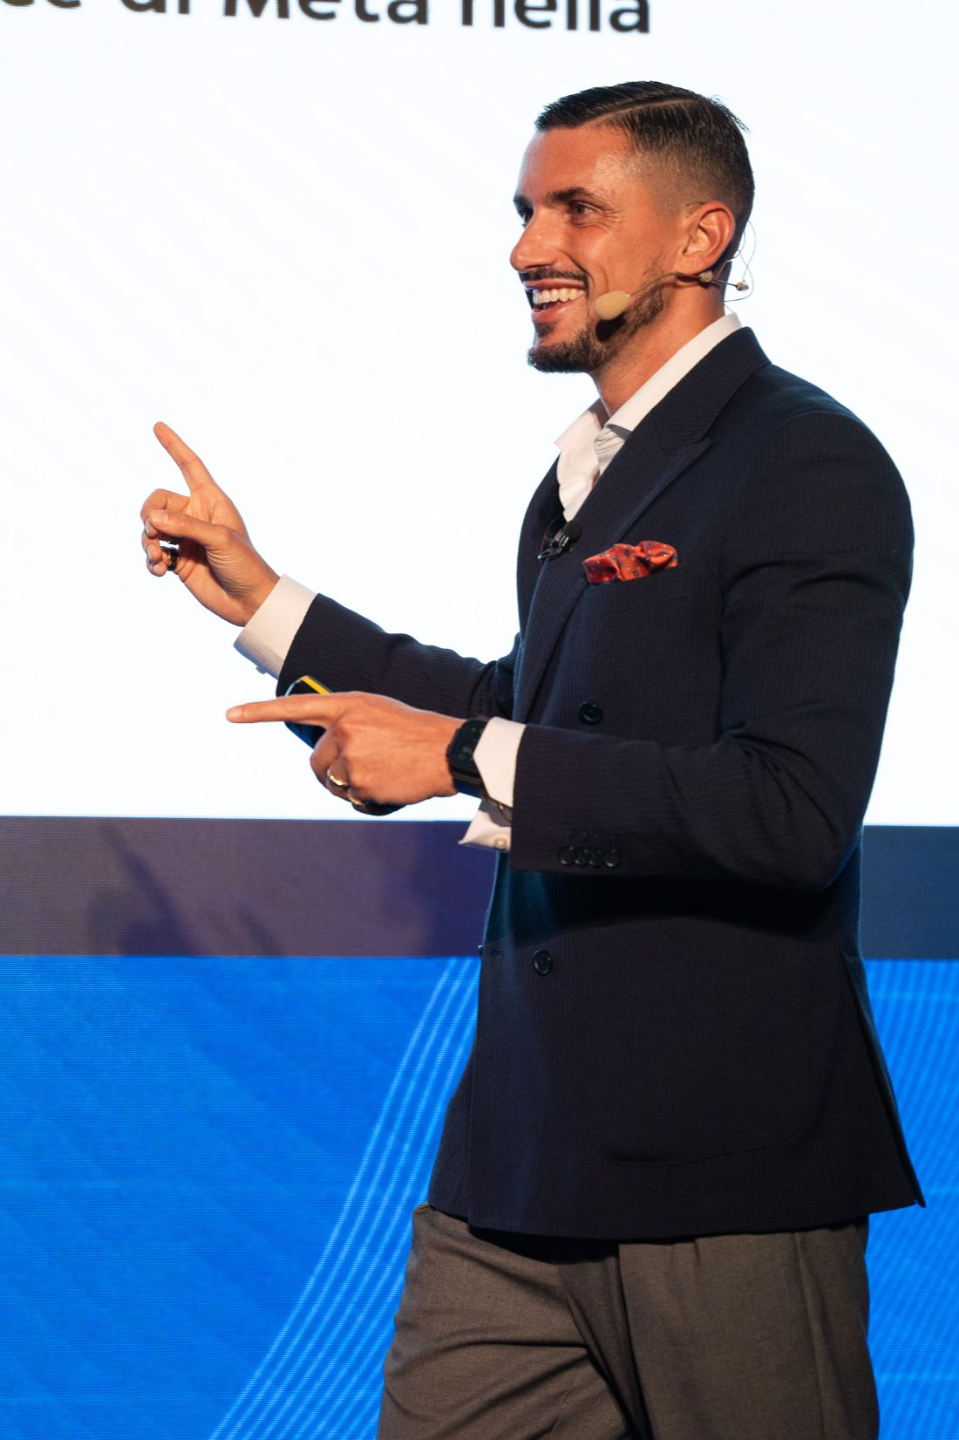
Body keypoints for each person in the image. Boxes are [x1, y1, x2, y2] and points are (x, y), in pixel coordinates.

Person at [140, 81, 922, 1440]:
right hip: (516, 1170)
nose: (526, 247)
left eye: (576, 210)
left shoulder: (808, 463)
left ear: (700, 237)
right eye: (524, 211)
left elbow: (789, 811)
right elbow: (535, 708)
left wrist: (459, 754)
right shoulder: (582, 476)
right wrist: (265, 603)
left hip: (720, 1180)